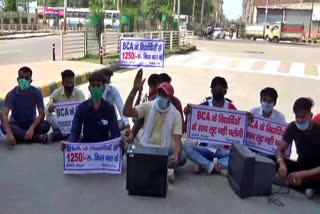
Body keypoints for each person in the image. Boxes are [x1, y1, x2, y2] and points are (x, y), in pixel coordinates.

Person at [123, 69, 187, 183]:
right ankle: (163, 170)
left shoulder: (175, 114)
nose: (161, 97)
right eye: (159, 93)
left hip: (164, 150)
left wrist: (176, 154)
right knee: (132, 153)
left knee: (182, 157)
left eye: (165, 95)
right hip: (146, 147)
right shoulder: (148, 106)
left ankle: (153, 168)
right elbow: (127, 112)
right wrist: (134, 90)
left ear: (170, 98)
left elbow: (177, 140)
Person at [183, 76, 241, 175]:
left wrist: (245, 123)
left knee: (239, 158)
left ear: (225, 92)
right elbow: (189, 127)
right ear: (211, 91)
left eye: (221, 89)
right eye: (215, 89)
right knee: (186, 147)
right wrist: (187, 114)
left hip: (223, 150)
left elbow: (238, 129)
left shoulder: (231, 108)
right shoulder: (204, 105)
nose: (218, 91)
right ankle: (216, 168)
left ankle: (205, 164)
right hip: (205, 148)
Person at [276, 98, 320, 199]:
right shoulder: (293, 127)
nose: (299, 120)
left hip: (316, 171)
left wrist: (304, 174)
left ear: (310, 115)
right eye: (297, 116)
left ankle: (296, 183)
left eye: (303, 116)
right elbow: (280, 150)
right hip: (301, 165)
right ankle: (304, 185)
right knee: (272, 161)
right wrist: (281, 164)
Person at [64, 71, 121, 144]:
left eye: (98, 85)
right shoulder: (81, 108)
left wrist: (119, 143)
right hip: (87, 146)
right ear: (89, 88)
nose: (96, 88)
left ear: (103, 87)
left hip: (105, 148)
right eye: (93, 86)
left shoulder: (109, 109)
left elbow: (115, 133)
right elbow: (75, 132)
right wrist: (69, 144)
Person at [1, 66, 50, 146]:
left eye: (26, 78)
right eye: (21, 77)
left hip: (31, 123)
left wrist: (32, 128)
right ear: (17, 79)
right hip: (16, 124)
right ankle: (36, 138)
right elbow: (4, 114)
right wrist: (9, 133)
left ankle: (21, 137)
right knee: (4, 127)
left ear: (30, 80)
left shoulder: (36, 92)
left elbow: (41, 114)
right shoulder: (11, 94)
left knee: (46, 125)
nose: (23, 80)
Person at [45, 70, 85, 141]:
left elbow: (84, 109)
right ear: (63, 83)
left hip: (75, 121)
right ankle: (66, 133)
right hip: (61, 123)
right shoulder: (56, 93)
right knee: (49, 116)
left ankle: (60, 134)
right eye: (67, 83)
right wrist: (51, 108)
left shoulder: (79, 93)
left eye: (71, 83)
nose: (70, 85)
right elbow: (46, 109)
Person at [98, 68, 131, 137]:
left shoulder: (113, 90)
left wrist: (127, 125)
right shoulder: (95, 92)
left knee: (123, 124)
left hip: (112, 122)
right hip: (98, 123)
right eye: (104, 83)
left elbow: (121, 106)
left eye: (108, 82)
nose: (106, 85)